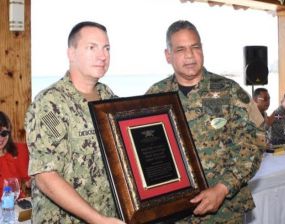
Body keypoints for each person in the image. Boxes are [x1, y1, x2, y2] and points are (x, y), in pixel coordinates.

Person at [146, 20, 264, 223]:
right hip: (174, 213)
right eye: (180, 49)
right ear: (168, 55)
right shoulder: (155, 96)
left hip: (224, 212)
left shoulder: (230, 91)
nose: (190, 55)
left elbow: (255, 143)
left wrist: (223, 187)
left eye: (195, 47)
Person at [25, 21, 125, 224]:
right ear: (71, 53)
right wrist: (97, 219)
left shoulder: (111, 98)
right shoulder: (50, 103)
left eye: (106, 48)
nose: (102, 55)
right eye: (92, 47)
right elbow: (46, 176)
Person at [0, 111, 30, 198]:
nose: (1, 138)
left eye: (4, 133)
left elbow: (29, 183)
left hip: (15, 206)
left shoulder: (19, 150)